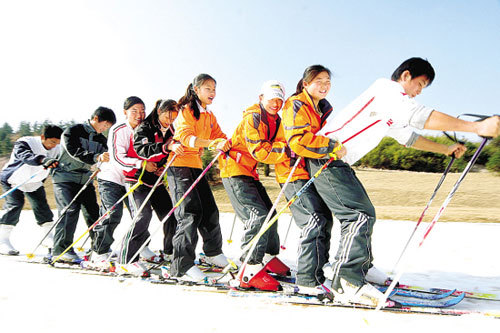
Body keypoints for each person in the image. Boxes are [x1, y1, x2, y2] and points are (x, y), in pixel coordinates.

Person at [283, 60, 500, 306]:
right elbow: (419, 115)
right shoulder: (387, 91)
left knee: (360, 213)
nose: (419, 91)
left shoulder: (391, 106)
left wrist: (445, 148)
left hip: (336, 162)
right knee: (358, 214)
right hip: (327, 157)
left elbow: (408, 136)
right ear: (406, 76)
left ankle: (358, 269)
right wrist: (476, 126)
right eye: (420, 84)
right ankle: (347, 280)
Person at [219, 80, 295, 291]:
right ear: (261, 98)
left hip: (249, 172)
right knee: (257, 216)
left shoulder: (276, 121)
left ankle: (268, 257)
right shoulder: (253, 117)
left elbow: (283, 142)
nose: (276, 103)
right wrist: (288, 150)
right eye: (272, 99)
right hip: (234, 170)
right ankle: (249, 268)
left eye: (279, 99)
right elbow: (260, 152)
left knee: (270, 215)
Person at [167, 73, 232, 282]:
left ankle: (212, 254)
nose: (212, 93)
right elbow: (185, 137)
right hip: (179, 166)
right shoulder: (185, 111)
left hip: (195, 166)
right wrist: (212, 144)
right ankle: (181, 266)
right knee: (189, 214)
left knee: (210, 210)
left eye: (214, 89)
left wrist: (229, 143)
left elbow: (220, 135)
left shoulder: (208, 115)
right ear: (196, 90)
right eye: (208, 88)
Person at [117, 99, 183, 275]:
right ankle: (126, 260)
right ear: (159, 111)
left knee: (171, 214)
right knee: (142, 216)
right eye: (168, 114)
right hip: (136, 180)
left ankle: (169, 252)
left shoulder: (170, 130)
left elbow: (166, 152)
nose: (171, 119)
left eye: (174, 115)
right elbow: (141, 149)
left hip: (155, 179)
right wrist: (164, 148)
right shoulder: (145, 127)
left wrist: (162, 163)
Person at [91, 96, 154, 267]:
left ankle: (141, 247)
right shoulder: (118, 129)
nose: (139, 114)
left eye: (142, 111)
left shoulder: (145, 129)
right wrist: (141, 164)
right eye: (134, 111)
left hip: (132, 178)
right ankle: (99, 252)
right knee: (113, 213)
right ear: (125, 112)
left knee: (140, 214)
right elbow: (117, 157)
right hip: (112, 178)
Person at [51, 107, 116, 262]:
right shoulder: (73, 131)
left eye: (107, 128)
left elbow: (107, 158)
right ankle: (61, 250)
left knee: (93, 212)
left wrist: (101, 166)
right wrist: (96, 157)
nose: (104, 129)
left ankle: (99, 248)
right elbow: (74, 151)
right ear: (95, 118)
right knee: (69, 210)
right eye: (104, 125)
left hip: (84, 179)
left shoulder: (101, 139)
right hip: (64, 177)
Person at [0, 125, 63, 255]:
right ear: (43, 137)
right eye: (52, 142)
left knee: (42, 207)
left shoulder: (58, 148)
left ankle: (48, 237)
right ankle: (3, 240)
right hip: (14, 179)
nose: (54, 145)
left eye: (57, 143)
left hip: (34, 181)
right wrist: (43, 160)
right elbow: (25, 156)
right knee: (15, 205)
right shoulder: (25, 142)